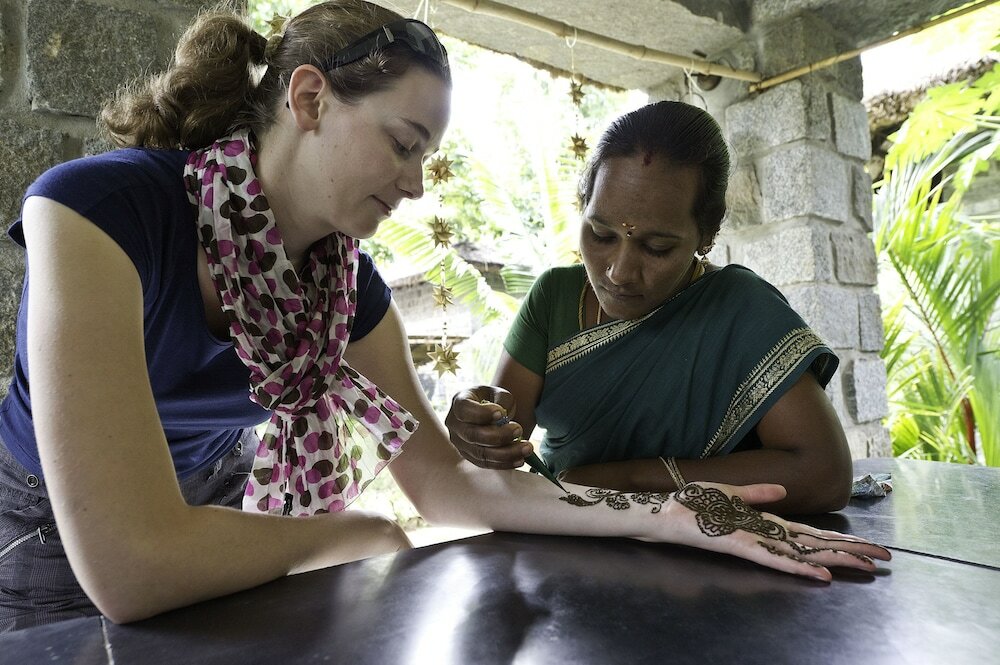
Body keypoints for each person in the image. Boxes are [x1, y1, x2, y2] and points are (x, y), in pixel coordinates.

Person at [0, 1, 888, 633]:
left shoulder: (344, 285)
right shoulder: (96, 213)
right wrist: (359, 531)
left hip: (217, 509)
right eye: (403, 144)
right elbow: (131, 561)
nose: (418, 185)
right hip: (44, 522)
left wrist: (669, 513)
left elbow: (453, 484)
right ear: (309, 99)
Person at [446, 101, 853, 515]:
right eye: (601, 234)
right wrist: (475, 427)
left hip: (710, 551)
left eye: (656, 247)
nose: (619, 272)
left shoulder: (742, 310)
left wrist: (633, 479)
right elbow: (497, 453)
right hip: (565, 535)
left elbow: (824, 475)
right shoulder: (554, 298)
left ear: (708, 232)